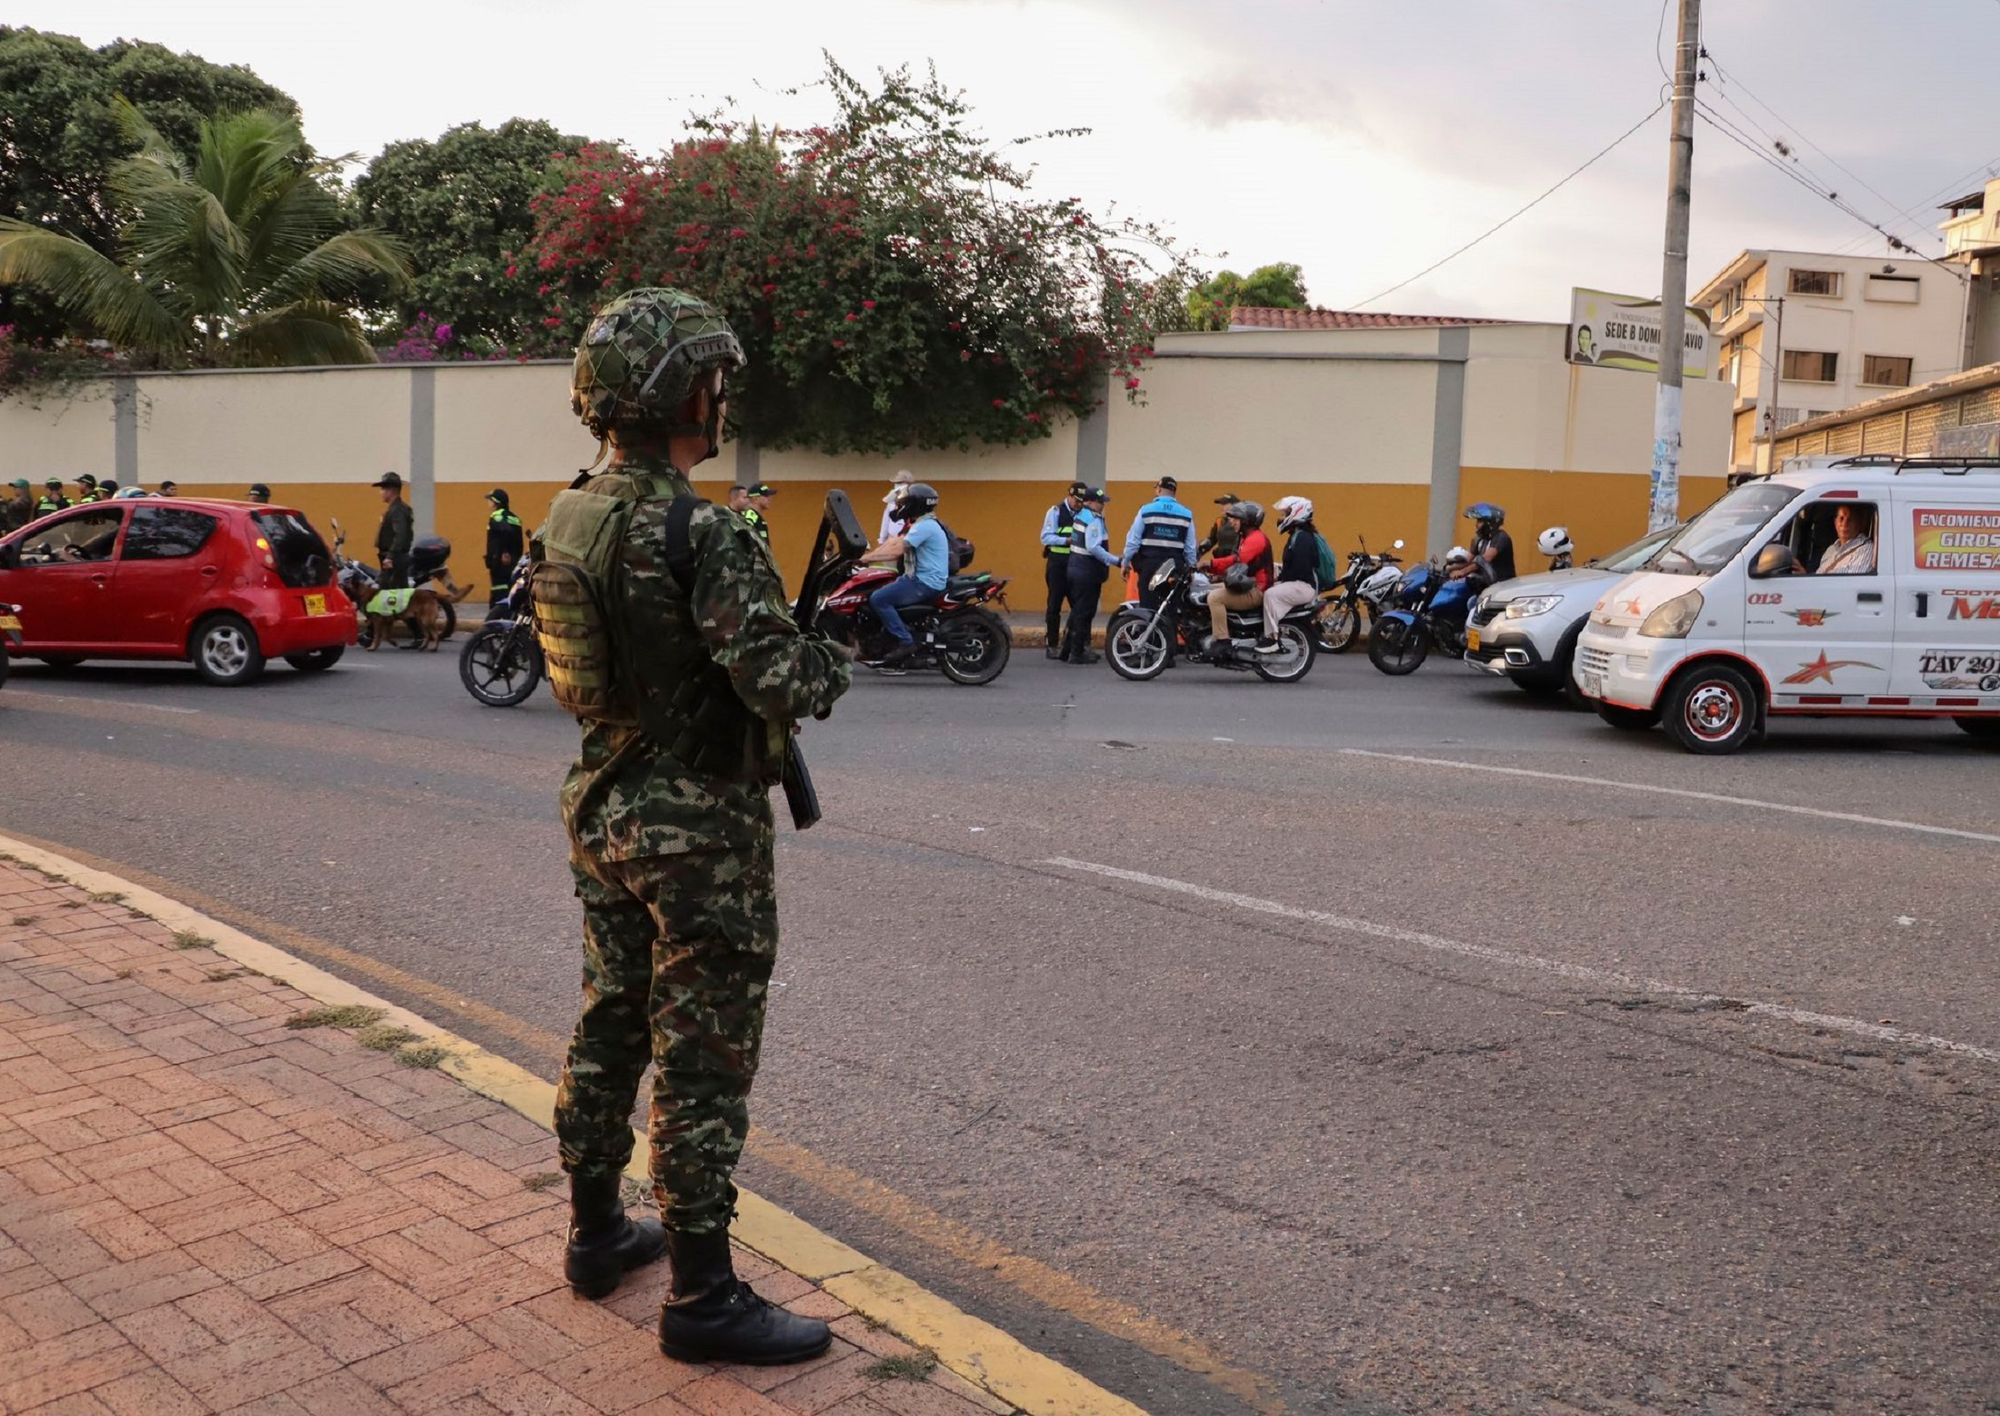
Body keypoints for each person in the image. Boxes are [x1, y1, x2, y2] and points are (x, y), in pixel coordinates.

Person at [537, 287, 851, 1366]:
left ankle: (592, 1233)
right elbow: (777, 679)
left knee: (611, 1018)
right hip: (697, 834)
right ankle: (703, 1296)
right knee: (703, 1053)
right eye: (712, 380)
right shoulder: (701, 528)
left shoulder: (569, 509)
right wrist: (832, 653)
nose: (720, 398)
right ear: (684, 393)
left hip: (603, 804)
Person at [859, 482, 951, 668]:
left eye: (904, 503)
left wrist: (865, 559)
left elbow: (896, 551)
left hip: (924, 582)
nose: (900, 507)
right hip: (916, 577)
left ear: (915, 504)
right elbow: (894, 542)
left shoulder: (924, 527)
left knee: (879, 599)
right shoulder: (922, 524)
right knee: (879, 589)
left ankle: (906, 641)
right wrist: (867, 555)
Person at [1205, 500, 1272, 658]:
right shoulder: (1246, 537)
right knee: (1205, 590)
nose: (1232, 522)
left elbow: (1237, 560)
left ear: (1247, 521)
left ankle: (1223, 642)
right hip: (1248, 585)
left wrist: (1210, 564)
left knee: (1215, 598)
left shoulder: (1256, 539)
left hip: (1256, 590)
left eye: (1236, 519)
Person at [1123, 476, 1198, 615]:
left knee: (1148, 607)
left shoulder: (1146, 510)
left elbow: (1133, 541)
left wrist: (1125, 562)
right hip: (1174, 567)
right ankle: (1168, 634)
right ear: (1174, 492)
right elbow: (1190, 547)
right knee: (1170, 608)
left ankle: (1151, 635)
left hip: (1150, 565)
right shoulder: (1186, 514)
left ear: (1159, 489)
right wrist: (1191, 567)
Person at [1258, 496, 1325, 654]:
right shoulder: (1298, 535)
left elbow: (1300, 568)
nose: (1281, 518)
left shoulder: (1302, 538)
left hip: (1303, 586)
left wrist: (1280, 579)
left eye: (1285, 513)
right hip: (1300, 584)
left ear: (1297, 512)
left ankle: (1272, 638)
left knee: (1270, 595)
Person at [1061, 487, 1120, 663]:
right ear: (1090, 502)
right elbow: (1093, 547)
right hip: (1087, 572)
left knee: (1077, 611)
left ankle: (1067, 650)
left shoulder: (1080, 516)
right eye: (1100, 502)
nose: (1102, 506)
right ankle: (1078, 652)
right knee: (1085, 613)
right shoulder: (1093, 519)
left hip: (1075, 568)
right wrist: (1115, 560)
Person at [1038, 481, 1087, 660]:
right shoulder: (1056, 512)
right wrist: (1066, 541)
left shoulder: (1084, 514)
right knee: (1054, 605)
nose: (1078, 504)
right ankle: (1052, 644)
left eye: (1081, 501)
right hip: (1057, 564)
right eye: (1076, 500)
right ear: (1069, 495)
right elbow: (1045, 537)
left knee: (1078, 605)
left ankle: (1076, 643)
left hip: (1077, 563)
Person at [484, 488, 526, 604]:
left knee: (498, 594)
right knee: (510, 590)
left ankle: (497, 617)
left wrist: (505, 552)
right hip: (514, 562)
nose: (488, 502)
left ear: (496, 502)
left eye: (490, 500)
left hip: (499, 563)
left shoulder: (497, 516)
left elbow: (505, 531)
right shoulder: (514, 517)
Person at [373, 472, 414, 588]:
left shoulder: (398, 510)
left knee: (393, 593)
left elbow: (400, 534)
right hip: (392, 558)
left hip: (395, 560)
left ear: (391, 490)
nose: (381, 492)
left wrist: (390, 557)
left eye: (383, 489)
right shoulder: (396, 508)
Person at [1817, 503, 1876, 574]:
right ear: (1835, 523)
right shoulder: (1830, 550)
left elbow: (1851, 582)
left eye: (1850, 519)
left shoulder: (1867, 549)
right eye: (1841, 518)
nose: (1844, 524)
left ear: (1859, 524)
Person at [1465, 503, 1515, 583]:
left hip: (1500, 585)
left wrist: (1462, 572)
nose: (1476, 525)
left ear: (1489, 523)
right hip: (1484, 583)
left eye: (1480, 521)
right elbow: (1467, 560)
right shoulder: (1479, 540)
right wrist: (1450, 568)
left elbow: (1484, 560)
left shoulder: (1501, 538)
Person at [1200, 492, 1241, 559]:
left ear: (1234, 505)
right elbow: (1211, 540)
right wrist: (1198, 551)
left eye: (1224, 504)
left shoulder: (1241, 521)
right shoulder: (1219, 521)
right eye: (1221, 504)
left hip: (1235, 561)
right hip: (1220, 561)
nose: (1221, 507)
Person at [880, 469, 916, 543]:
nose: (897, 485)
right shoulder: (891, 502)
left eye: (900, 482)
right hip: (891, 539)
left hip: (908, 539)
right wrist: (882, 539)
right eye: (897, 483)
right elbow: (886, 521)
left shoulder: (915, 500)